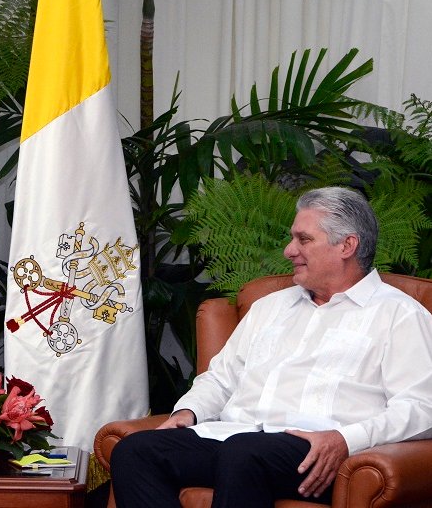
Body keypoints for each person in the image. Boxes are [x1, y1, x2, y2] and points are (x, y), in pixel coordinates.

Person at [110, 186, 432, 507]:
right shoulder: (269, 307)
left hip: (315, 451)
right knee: (134, 452)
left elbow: (421, 408)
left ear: (347, 245)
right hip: (234, 437)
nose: (289, 251)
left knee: (244, 454)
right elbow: (221, 377)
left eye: (304, 239)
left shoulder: (399, 316)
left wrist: (345, 440)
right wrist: (189, 410)